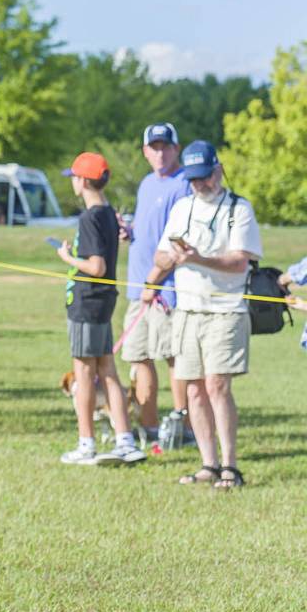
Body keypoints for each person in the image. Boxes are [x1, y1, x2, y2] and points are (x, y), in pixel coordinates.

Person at [154, 141, 261, 490]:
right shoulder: (182, 207)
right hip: (187, 309)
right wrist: (171, 259)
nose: (200, 185)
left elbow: (240, 260)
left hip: (225, 310)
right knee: (193, 390)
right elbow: (159, 258)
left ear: (218, 170)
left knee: (217, 385)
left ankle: (230, 466)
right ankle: (208, 464)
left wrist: (198, 258)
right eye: (193, 180)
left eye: (204, 177)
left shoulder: (238, 209)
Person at [56, 152, 144, 466]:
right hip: (103, 301)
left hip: (88, 302)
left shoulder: (90, 217)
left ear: (83, 180)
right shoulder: (107, 213)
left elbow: (96, 266)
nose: (73, 183)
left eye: (75, 178)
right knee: (108, 372)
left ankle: (86, 443)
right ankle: (125, 441)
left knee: (84, 374)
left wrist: (67, 259)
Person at [120, 123, 193, 443]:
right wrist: (129, 231)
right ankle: (149, 429)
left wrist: (156, 282)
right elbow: (147, 229)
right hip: (138, 288)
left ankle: (184, 429)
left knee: (173, 357)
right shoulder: (147, 184)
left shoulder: (184, 185)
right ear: (145, 151)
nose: (160, 153)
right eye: (154, 147)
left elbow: (179, 244)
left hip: (166, 291)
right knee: (138, 356)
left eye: (166, 146)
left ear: (176, 148)